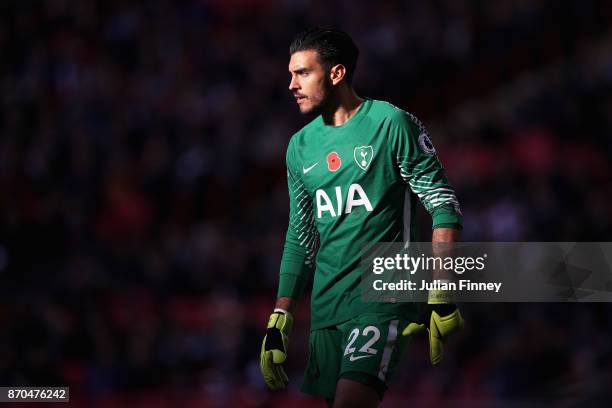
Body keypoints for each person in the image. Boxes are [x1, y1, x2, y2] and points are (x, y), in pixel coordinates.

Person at [260, 27, 464, 407]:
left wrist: (441, 291)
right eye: (291, 73)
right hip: (326, 306)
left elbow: (442, 203)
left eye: (302, 72)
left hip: (382, 294)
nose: (291, 84)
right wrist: (281, 316)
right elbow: (300, 235)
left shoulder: (390, 123)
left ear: (336, 74)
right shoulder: (299, 147)